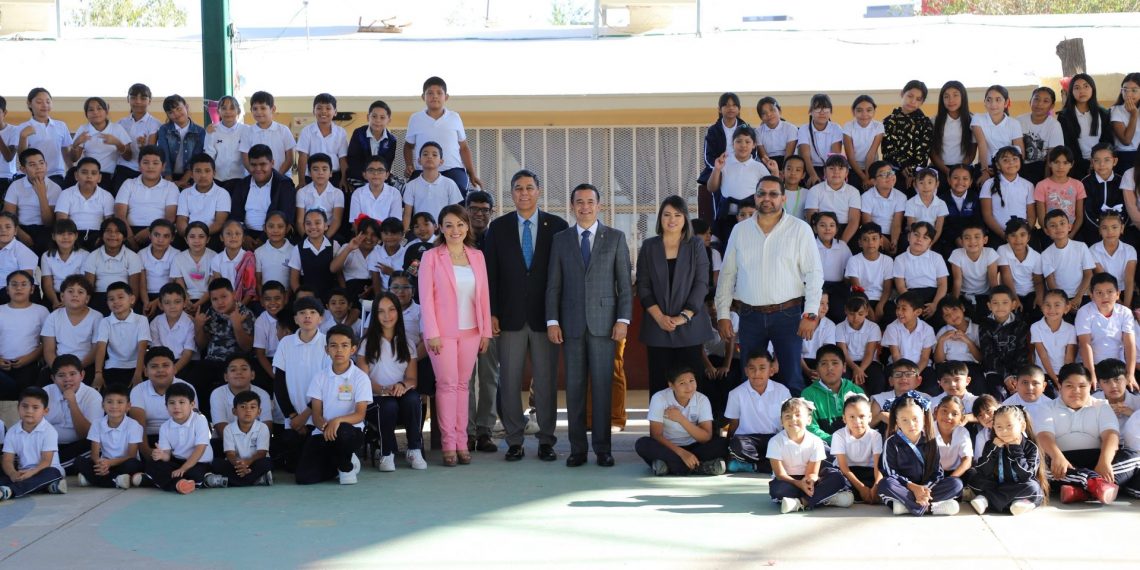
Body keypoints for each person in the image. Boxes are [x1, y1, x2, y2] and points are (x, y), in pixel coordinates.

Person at [484, 169, 569, 462]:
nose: (524, 193)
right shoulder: (498, 227)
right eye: (518, 188)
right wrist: (492, 313)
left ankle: (546, 440)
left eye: (529, 187)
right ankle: (514, 440)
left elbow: (563, 275)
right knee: (509, 382)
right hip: (509, 318)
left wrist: (558, 316)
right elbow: (491, 275)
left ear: (538, 191)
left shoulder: (557, 226)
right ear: (511, 193)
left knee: (545, 382)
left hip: (547, 319)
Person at [547, 184, 632, 467]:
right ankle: (577, 449)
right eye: (579, 202)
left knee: (603, 387)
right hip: (570, 326)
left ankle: (603, 449)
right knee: (574, 388)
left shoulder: (616, 237)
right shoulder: (561, 240)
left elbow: (624, 284)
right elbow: (553, 285)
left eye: (590, 202)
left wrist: (623, 320)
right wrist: (552, 321)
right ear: (572, 206)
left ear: (599, 205)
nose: (585, 207)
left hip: (605, 326)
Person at [715, 176, 823, 394]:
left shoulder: (800, 229)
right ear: (755, 197)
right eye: (761, 193)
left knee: (792, 378)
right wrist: (723, 314)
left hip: (788, 316)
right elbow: (727, 274)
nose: (767, 198)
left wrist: (811, 314)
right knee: (750, 378)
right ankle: (751, 418)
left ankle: (795, 418)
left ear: (783, 198)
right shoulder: (740, 230)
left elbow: (814, 274)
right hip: (750, 316)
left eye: (773, 194)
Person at [419, 204, 492, 466]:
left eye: (460, 224)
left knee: (464, 386)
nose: (455, 230)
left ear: (467, 227)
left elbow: (483, 297)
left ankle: (462, 441)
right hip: (442, 334)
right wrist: (432, 333)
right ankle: (449, 443)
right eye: (449, 225)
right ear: (440, 227)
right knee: (447, 385)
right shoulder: (431, 257)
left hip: (472, 331)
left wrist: (485, 331)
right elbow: (426, 299)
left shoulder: (477, 256)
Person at [637, 195, 716, 395]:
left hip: (690, 326)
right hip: (657, 327)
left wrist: (684, 317)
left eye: (677, 215)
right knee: (659, 385)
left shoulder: (695, 245)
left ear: (685, 219)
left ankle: (692, 419)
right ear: (660, 218)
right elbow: (643, 286)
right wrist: (659, 317)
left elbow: (701, 284)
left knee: (691, 387)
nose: (672, 219)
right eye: (667, 215)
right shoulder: (649, 246)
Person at [1035, 363, 1140, 503]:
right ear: (1059, 386)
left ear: (1090, 386)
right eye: (1069, 386)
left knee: (1134, 457)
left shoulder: (1101, 405)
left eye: (1082, 386)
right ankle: (1096, 484)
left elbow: (1110, 435)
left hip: (1098, 461)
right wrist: (1057, 456)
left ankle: (1082, 491)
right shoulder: (1046, 407)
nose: (1076, 391)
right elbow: (1044, 435)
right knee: (1043, 467)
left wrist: (1104, 461)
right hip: (1064, 463)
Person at [357, 292, 427, 471]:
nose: (386, 316)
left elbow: (412, 379)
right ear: (375, 315)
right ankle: (387, 453)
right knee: (388, 405)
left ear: (398, 312)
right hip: (375, 400)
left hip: (399, 396)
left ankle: (414, 449)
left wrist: (402, 386)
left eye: (391, 310)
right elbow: (362, 380)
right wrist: (382, 389)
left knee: (413, 399)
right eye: (381, 311)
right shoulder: (366, 344)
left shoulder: (408, 343)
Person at [295, 325, 371, 485]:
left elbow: (360, 414)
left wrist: (337, 421)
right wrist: (324, 427)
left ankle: (347, 467)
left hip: (350, 432)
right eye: (334, 345)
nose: (339, 350)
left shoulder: (361, 378)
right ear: (326, 349)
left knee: (342, 431)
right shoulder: (319, 377)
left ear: (353, 349)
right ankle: (338, 463)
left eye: (344, 345)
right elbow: (316, 414)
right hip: (323, 432)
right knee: (304, 478)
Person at [877, 392, 963, 515]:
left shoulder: (930, 441)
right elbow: (890, 472)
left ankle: (908, 506)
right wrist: (913, 487)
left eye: (915, 419)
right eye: (904, 420)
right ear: (897, 422)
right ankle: (931, 508)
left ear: (923, 417)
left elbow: (937, 473)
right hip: (904, 487)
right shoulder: (891, 442)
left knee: (956, 484)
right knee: (885, 484)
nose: (911, 424)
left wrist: (924, 490)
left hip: (927, 488)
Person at [272, 296, 331, 473]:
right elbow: (279, 383)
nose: (307, 316)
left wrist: (305, 415)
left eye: (313, 312)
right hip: (293, 419)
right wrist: (292, 416)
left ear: (321, 318)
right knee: (293, 467)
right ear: (295, 319)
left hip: (319, 417)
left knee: (312, 466)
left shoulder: (327, 343)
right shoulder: (286, 343)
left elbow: (327, 384)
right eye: (302, 313)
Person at [634, 367, 727, 476]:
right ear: (671, 385)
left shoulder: (702, 399)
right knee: (642, 444)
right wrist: (682, 453)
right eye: (682, 383)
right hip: (668, 447)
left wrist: (681, 419)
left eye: (692, 381)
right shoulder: (659, 398)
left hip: (695, 446)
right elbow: (656, 435)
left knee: (723, 443)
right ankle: (700, 467)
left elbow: (706, 437)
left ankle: (670, 466)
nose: (689, 387)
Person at [767, 397, 853, 513]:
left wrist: (810, 482)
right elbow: (780, 474)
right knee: (779, 490)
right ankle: (826, 498)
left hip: (809, 479)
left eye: (798, 415)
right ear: (781, 421)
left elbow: (812, 473)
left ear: (808, 420)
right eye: (787, 416)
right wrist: (798, 483)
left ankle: (801, 502)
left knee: (837, 478)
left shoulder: (816, 441)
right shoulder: (775, 442)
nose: (793, 419)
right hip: (788, 480)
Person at [403, 76, 482, 192]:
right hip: (423, 170)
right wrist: (409, 165)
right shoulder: (415, 118)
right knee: (411, 193)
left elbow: (464, 147)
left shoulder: (454, 117)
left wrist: (472, 173)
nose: (435, 96)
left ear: (446, 97)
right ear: (423, 97)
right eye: (430, 93)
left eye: (439, 93)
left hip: (453, 170)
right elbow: (408, 146)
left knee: (459, 196)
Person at [967, 404, 1048, 515]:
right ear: (993, 427)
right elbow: (983, 470)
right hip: (996, 484)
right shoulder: (991, 444)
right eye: (999, 427)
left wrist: (1015, 449)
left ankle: (987, 500)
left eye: (1009, 426)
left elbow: (1027, 475)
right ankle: (1015, 502)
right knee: (974, 477)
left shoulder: (1031, 447)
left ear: (1022, 426)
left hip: (1019, 486)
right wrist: (994, 449)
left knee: (1034, 488)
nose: (1004, 431)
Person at [464, 190, 498, 452]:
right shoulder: (456, 240)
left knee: (489, 376)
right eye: (474, 209)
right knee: (465, 378)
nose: (479, 214)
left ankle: (485, 430)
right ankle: (467, 432)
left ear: (491, 213)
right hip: (462, 318)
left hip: (490, 319)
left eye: (484, 210)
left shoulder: (498, 240)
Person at [145, 383, 220, 494]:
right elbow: (167, 456)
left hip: (199, 462)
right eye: (172, 403)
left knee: (194, 473)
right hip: (178, 461)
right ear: (166, 406)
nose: (176, 407)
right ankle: (180, 483)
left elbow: (200, 449)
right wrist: (161, 455)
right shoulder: (165, 427)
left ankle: (177, 481)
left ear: (192, 404)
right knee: (152, 465)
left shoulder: (200, 420)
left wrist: (183, 469)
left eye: (181, 402)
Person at [724, 349, 791, 473]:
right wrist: (730, 442)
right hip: (747, 440)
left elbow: (788, 420)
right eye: (752, 368)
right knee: (736, 445)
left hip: (774, 438)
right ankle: (772, 464)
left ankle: (753, 466)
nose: (757, 373)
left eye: (762, 368)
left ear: (771, 371)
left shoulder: (782, 391)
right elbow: (734, 425)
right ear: (746, 371)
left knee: (790, 447)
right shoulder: (736, 394)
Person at [0, 387, 67, 501]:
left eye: (35, 407)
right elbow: (7, 460)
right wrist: (12, 474)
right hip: (22, 472)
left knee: (52, 473)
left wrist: (31, 473)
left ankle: (9, 491)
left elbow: (46, 461)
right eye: (24, 406)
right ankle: (47, 487)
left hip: (45, 470)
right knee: (4, 475)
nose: (29, 411)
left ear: (45, 411)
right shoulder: (12, 432)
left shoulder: (49, 431)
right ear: (18, 407)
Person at [74, 384, 144, 489]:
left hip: (123, 463)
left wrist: (110, 463)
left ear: (128, 406)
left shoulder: (134, 425)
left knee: (133, 464)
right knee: (79, 461)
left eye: (120, 402)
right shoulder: (97, 424)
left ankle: (93, 479)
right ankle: (116, 480)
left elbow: (131, 455)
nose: (114, 406)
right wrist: (101, 464)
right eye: (109, 402)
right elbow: (94, 455)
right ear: (103, 405)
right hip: (104, 464)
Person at [1075, 272, 1136, 388]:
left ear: (1118, 294)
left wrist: (1130, 374)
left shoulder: (1125, 312)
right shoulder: (1084, 312)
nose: (1105, 296)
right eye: (1099, 293)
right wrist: (1091, 374)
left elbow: (1129, 344)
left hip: (1117, 365)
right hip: (1091, 365)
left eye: (1110, 292)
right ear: (1091, 295)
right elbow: (1085, 344)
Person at [227, 144, 297, 245]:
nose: (258, 169)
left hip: (274, 237)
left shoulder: (284, 184)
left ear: (272, 163)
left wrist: (263, 239)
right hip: (244, 237)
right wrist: (244, 236)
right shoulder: (242, 185)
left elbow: (286, 216)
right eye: (253, 165)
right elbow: (235, 214)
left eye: (263, 164)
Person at [42, 354, 101, 472]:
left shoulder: (93, 396)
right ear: (53, 378)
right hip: (48, 447)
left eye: (72, 374)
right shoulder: (45, 392)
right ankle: (50, 467)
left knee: (94, 446)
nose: (67, 379)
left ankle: (48, 468)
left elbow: (87, 434)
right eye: (61, 375)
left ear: (82, 375)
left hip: (77, 445)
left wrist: (72, 403)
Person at [114, 144, 177, 246]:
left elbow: (170, 217)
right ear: (139, 165)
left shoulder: (171, 187)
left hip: (159, 232)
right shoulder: (128, 183)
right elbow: (120, 214)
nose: (150, 167)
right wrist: (130, 238)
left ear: (163, 166)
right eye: (146, 162)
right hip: (129, 231)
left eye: (155, 163)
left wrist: (150, 231)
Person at [0, 270, 48, 398]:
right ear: (7, 289)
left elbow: (47, 343)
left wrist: (28, 359)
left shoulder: (41, 311)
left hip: (29, 365)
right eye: (14, 284)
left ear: (32, 289)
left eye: (23, 284)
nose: (18, 288)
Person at [93, 281, 149, 389]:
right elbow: (101, 348)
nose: (116, 302)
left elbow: (142, 348)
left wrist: (138, 374)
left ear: (132, 299)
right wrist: (98, 374)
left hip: (136, 366)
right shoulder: (105, 321)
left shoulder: (141, 320)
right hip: (112, 366)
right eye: (111, 299)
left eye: (120, 297)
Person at [211, 390, 273, 487]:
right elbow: (230, 454)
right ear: (234, 411)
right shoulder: (228, 429)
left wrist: (246, 463)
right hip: (236, 464)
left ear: (259, 412)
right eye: (243, 407)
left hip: (254, 462)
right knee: (217, 463)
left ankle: (229, 482)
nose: (248, 410)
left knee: (266, 463)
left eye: (252, 407)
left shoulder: (262, 427)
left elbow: (261, 453)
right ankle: (255, 480)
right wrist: (239, 464)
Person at [5, 148, 61, 254]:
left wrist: (41, 194)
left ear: (46, 165)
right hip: (20, 227)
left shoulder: (55, 188)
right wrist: (21, 234)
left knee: (46, 243)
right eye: (32, 164)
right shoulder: (15, 186)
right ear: (23, 169)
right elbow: (8, 216)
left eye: (41, 163)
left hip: (44, 229)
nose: (38, 167)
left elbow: (49, 222)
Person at [41, 274, 100, 374]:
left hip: (85, 366)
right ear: (62, 296)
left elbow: (96, 350)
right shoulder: (53, 316)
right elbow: (48, 350)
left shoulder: (97, 317)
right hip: (58, 367)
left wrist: (76, 370)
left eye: (80, 292)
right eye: (70, 291)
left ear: (87, 299)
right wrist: (59, 370)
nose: (75, 295)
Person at [1058, 74, 1113, 179]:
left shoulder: (1103, 113)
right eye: (1077, 88)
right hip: (1076, 167)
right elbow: (1067, 145)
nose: (1082, 91)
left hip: (1102, 166)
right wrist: (1085, 164)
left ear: (1093, 89)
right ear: (1071, 92)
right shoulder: (1064, 116)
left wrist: (1097, 162)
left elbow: (1108, 141)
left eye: (1086, 86)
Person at [978, 286, 1030, 398]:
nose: (1000, 307)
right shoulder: (984, 325)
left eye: (1005, 302)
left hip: (1017, 371)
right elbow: (989, 355)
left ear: (1013, 305)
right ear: (989, 306)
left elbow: (1022, 352)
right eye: (995, 303)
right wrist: (1007, 376)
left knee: (1021, 395)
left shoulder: (1020, 325)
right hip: (994, 371)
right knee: (999, 395)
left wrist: (1015, 376)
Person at [882, 80, 934, 192]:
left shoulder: (925, 123)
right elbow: (888, 149)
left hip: (917, 175)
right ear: (902, 94)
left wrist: (912, 172)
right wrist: (904, 166)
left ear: (922, 102)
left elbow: (924, 151)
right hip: (892, 173)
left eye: (918, 99)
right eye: (910, 96)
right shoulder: (889, 121)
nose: (913, 101)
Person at [831, 394, 883, 504]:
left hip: (869, 472)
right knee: (835, 478)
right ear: (844, 418)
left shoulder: (875, 436)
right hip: (847, 472)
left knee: (886, 481)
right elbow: (844, 468)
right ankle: (846, 495)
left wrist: (876, 487)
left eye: (862, 416)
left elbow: (877, 467)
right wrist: (862, 488)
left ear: (870, 417)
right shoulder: (838, 435)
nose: (857, 421)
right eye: (852, 417)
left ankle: (857, 495)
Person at [402, 142, 463, 233]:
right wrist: (403, 234)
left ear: (441, 161)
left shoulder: (450, 184)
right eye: (425, 154)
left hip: (443, 232)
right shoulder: (411, 185)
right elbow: (407, 214)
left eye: (434, 155)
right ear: (419, 160)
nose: (430, 157)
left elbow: (455, 212)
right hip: (420, 232)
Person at [111, 83, 161, 193]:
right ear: (128, 99)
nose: (138, 102)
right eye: (133, 98)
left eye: (143, 98)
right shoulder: (120, 124)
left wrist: (143, 147)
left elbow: (151, 152)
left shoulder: (155, 124)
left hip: (145, 170)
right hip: (123, 168)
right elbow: (123, 155)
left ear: (149, 101)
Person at [16, 87, 72, 186]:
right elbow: (22, 156)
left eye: (48, 101)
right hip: (31, 176)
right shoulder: (23, 127)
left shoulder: (61, 125)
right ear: (29, 103)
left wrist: (72, 171)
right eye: (39, 102)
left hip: (55, 175)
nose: (45, 105)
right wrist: (23, 136)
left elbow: (66, 153)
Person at [881, 292, 936, 391]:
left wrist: (914, 374)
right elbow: (896, 356)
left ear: (918, 312)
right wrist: (904, 374)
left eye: (904, 309)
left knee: (931, 388)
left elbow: (924, 358)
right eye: (898, 308)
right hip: (897, 365)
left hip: (921, 367)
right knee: (890, 385)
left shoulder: (927, 329)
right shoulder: (892, 328)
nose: (899, 312)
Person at [71, 97, 132, 186]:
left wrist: (118, 143)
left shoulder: (117, 128)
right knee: (71, 176)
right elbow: (74, 159)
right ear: (86, 114)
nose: (95, 112)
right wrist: (75, 144)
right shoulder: (83, 129)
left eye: (99, 108)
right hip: (88, 175)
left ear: (106, 111)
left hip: (108, 176)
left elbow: (128, 157)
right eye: (91, 110)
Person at [208, 354, 273, 438]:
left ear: (252, 375)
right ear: (226, 377)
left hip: (256, 443)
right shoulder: (217, 394)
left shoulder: (262, 394)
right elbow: (221, 428)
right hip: (225, 442)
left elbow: (266, 428)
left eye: (244, 369)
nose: (239, 372)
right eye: (233, 370)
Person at [979, 146, 1034, 243]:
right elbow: (987, 215)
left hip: (1022, 238)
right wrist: (1003, 234)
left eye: (1015, 159)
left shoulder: (1028, 185)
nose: (1011, 163)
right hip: (997, 235)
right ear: (998, 165)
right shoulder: (988, 184)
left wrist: (1024, 234)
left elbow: (1031, 216)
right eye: (1005, 160)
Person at [803, 154, 860, 244]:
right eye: (831, 168)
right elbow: (812, 217)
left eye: (840, 168)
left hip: (846, 232)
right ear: (824, 172)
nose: (836, 172)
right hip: (821, 230)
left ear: (846, 173)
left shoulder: (853, 192)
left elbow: (854, 220)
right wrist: (824, 241)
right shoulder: (814, 190)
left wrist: (842, 243)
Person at [295, 93, 349, 188]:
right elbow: (303, 157)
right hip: (311, 177)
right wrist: (302, 181)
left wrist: (344, 179)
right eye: (319, 108)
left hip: (335, 177)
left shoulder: (341, 132)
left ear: (335, 112)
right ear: (314, 111)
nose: (323, 111)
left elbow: (343, 158)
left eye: (328, 108)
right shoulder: (306, 131)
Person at [835, 294, 885, 394]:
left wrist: (860, 370)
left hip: (869, 362)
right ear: (845, 311)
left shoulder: (873, 327)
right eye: (851, 314)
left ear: (867, 312)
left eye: (860, 314)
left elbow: (870, 353)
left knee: (878, 379)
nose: (856, 318)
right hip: (847, 362)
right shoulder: (839, 327)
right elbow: (843, 352)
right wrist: (855, 368)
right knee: (842, 379)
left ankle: (873, 401)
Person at [239, 91, 295, 177]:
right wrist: (258, 176)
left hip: (281, 177)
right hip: (255, 178)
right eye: (255, 109)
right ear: (251, 110)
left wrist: (277, 177)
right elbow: (245, 158)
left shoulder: (283, 130)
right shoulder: (247, 132)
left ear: (273, 109)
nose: (259, 112)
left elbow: (289, 159)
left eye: (263, 108)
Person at [1017, 86, 1065, 184]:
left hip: (1042, 169)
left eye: (1045, 101)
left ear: (1052, 106)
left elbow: (1052, 156)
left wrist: (1046, 181)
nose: (1039, 104)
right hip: (1019, 168)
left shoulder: (1054, 125)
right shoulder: (1019, 120)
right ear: (1030, 101)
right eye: (1036, 99)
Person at [155, 95, 204, 189]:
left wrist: (184, 180)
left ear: (186, 107)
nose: (176, 114)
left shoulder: (200, 132)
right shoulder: (164, 130)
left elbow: (196, 157)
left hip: (190, 177)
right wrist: (169, 181)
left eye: (179, 109)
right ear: (167, 115)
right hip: (167, 176)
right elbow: (164, 154)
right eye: (171, 112)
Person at [346, 100, 397, 187]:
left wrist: (377, 177)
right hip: (359, 177)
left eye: (382, 117)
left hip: (380, 179)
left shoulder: (391, 140)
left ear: (389, 120)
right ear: (368, 117)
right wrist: (368, 176)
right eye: (374, 116)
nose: (377, 120)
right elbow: (353, 159)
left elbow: (387, 164)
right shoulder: (359, 133)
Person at [1031, 289, 1076, 388]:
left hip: (1063, 374)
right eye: (1047, 305)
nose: (1052, 309)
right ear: (1042, 307)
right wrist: (1056, 380)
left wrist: (1064, 379)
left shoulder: (1071, 329)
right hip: (1042, 373)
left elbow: (1069, 358)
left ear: (1066, 308)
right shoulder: (1036, 327)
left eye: (1057, 305)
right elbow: (1043, 356)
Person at [1090, 211, 1136, 306]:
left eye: (1114, 227)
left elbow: (1129, 280)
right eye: (1104, 228)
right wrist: (1120, 305)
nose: (1110, 232)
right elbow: (1104, 280)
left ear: (1122, 228)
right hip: (1105, 292)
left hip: (1126, 291)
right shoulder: (1093, 250)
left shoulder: (1129, 250)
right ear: (1099, 230)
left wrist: (1126, 307)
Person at [294, 153, 344, 240]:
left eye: (324, 169)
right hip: (307, 232)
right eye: (315, 169)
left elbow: (336, 220)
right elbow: (299, 221)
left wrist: (324, 241)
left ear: (331, 173)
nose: (320, 173)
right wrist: (308, 240)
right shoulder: (302, 192)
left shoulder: (337, 193)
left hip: (329, 232)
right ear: (309, 173)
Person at [797, 94, 844, 186]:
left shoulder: (836, 128)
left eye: (826, 109)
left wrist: (828, 175)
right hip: (810, 167)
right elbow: (806, 156)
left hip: (830, 167)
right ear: (810, 111)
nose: (822, 113)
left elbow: (835, 156)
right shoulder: (804, 129)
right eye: (817, 108)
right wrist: (813, 175)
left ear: (831, 111)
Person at [859, 162, 906, 254]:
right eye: (884, 174)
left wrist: (894, 241)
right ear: (874, 181)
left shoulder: (901, 197)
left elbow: (897, 223)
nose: (889, 176)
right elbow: (867, 222)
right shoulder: (866, 197)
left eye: (891, 172)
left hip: (894, 234)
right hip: (873, 233)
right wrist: (882, 240)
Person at [203, 95, 246, 187]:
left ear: (238, 111)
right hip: (218, 179)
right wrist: (209, 135)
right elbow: (209, 155)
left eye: (232, 108)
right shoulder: (212, 130)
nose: (228, 112)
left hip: (240, 179)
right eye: (224, 108)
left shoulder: (246, 130)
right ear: (218, 111)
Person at [843, 94, 884, 188]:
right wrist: (864, 177)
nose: (864, 114)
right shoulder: (848, 126)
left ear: (874, 111)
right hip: (853, 167)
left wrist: (868, 177)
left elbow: (871, 154)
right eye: (859, 110)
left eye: (869, 110)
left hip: (872, 166)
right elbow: (850, 156)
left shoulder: (878, 126)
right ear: (853, 112)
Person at [349, 156, 402, 225]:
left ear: (387, 175)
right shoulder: (357, 193)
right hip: (364, 231)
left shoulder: (394, 193)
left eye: (380, 170)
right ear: (364, 175)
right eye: (371, 170)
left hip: (388, 231)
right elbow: (355, 222)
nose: (375, 173)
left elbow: (395, 222)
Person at [1092, 359, 1140, 425]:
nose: (1113, 386)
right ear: (1099, 385)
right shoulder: (1092, 402)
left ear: (1127, 380)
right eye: (1106, 381)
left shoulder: (1138, 402)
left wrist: (1133, 414)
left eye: (1117, 379)